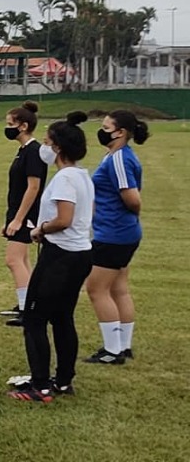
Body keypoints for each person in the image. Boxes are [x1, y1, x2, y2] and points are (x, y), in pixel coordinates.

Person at [8, 112, 94, 402]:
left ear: (57, 147)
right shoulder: (83, 176)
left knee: (34, 317)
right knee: (62, 317)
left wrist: (41, 230)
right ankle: (64, 380)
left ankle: (41, 384)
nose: (43, 148)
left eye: (46, 142)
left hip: (60, 255)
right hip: (80, 253)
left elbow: (65, 218)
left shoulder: (65, 179)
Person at [84, 110, 148, 365]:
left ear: (120, 132)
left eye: (105, 126)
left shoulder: (119, 158)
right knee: (119, 288)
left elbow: (132, 198)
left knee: (96, 289)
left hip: (114, 234)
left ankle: (113, 351)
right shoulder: (113, 156)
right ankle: (124, 345)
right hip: (121, 232)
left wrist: (124, 217)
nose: (101, 130)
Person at [1, 101, 48, 327]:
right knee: (23, 260)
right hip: (18, 213)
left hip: (27, 215)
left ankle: (26, 310)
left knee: (13, 260)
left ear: (23, 126)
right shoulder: (23, 151)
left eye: (11, 124)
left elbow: (33, 187)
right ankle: (29, 303)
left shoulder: (34, 151)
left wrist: (19, 219)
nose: (7, 127)